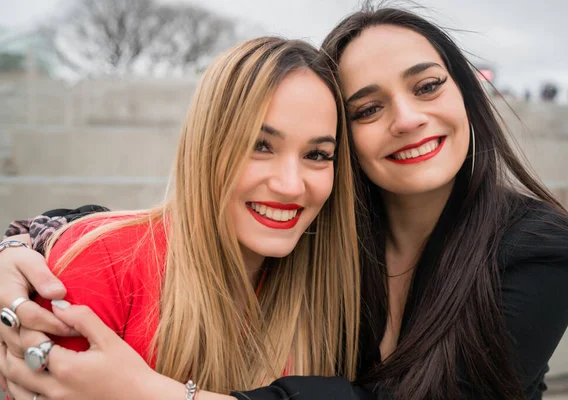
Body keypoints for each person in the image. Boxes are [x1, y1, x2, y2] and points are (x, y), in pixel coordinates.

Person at [0, 5, 568, 400]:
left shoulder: (537, 248)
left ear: (466, 92)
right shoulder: (324, 238)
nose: (409, 119)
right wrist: (23, 242)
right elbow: (127, 238)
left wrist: (160, 395)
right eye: (367, 108)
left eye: (427, 85)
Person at [0, 36, 362, 400]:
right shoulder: (104, 260)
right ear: (206, 144)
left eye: (317, 154)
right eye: (260, 145)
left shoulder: (335, 290)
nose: (290, 185)